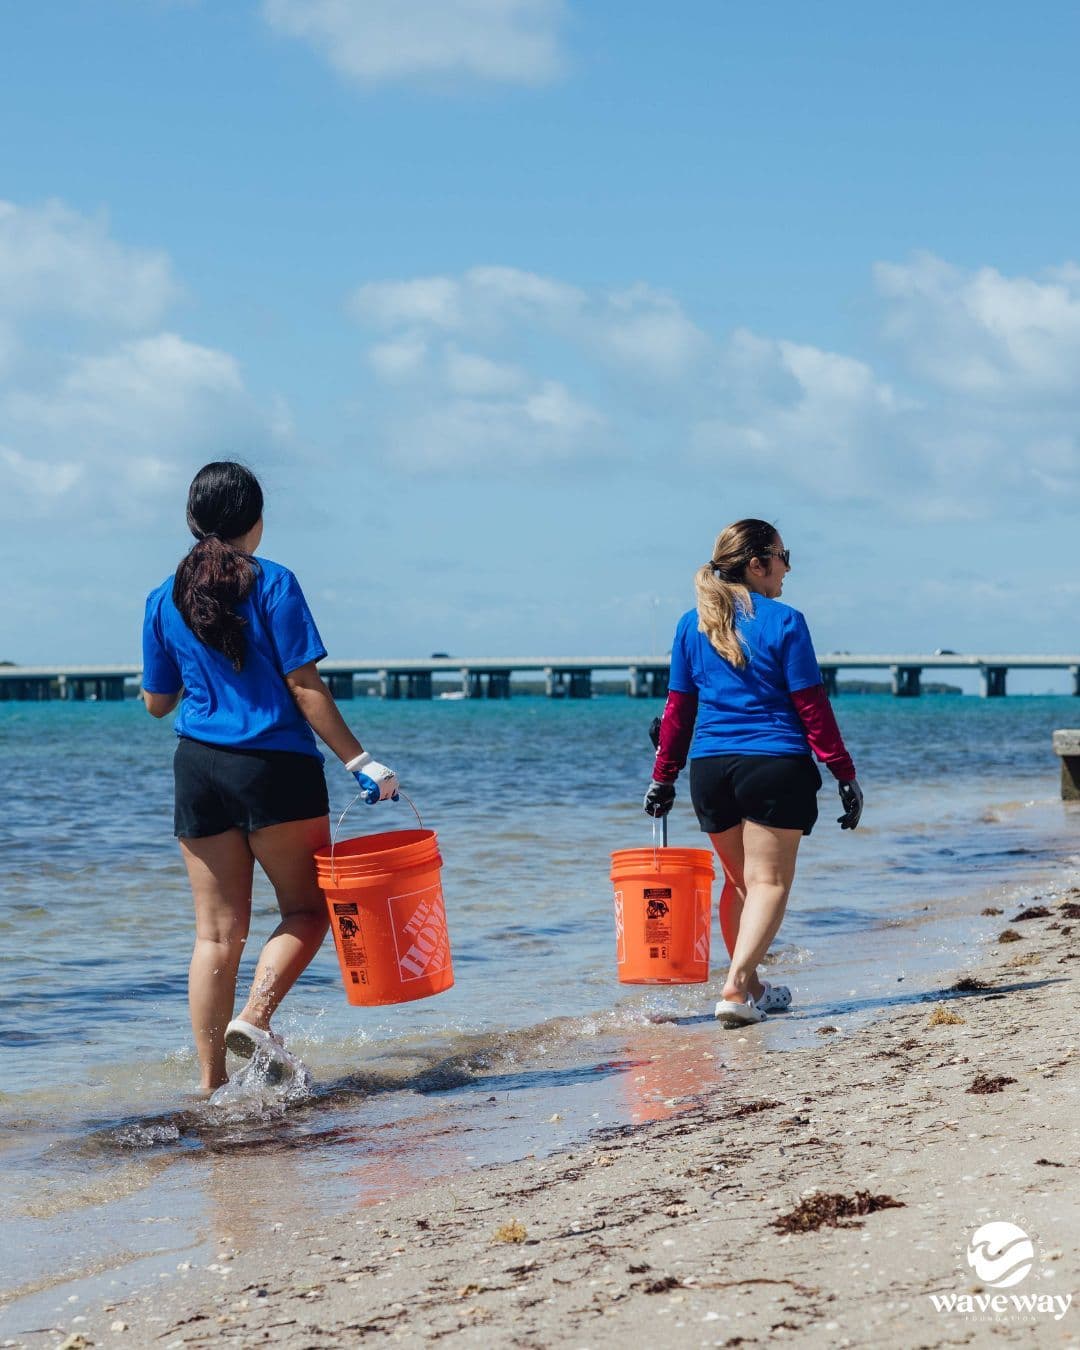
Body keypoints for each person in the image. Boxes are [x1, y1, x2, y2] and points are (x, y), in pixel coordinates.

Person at [141, 462, 399, 1093]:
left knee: (216, 934)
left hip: (197, 770)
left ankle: (210, 1085)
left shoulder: (161, 598)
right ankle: (255, 1019)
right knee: (308, 910)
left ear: (192, 521)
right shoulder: (276, 583)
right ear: (256, 520)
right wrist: (362, 763)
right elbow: (304, 687)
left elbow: (157, 701)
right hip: (275, 768)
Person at [643, 518, 862, 1029]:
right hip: (774, 765)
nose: (789, 567)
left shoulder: (689, 623)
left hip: (711, 771)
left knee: (740, 883)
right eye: (785, 556)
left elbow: (678, 711)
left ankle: (756, 987)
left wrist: (663, 776)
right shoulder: (786, 621)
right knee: (769, 883)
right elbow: (811, 707)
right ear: (758, 563)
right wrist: (843, 773)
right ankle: (736, 987)